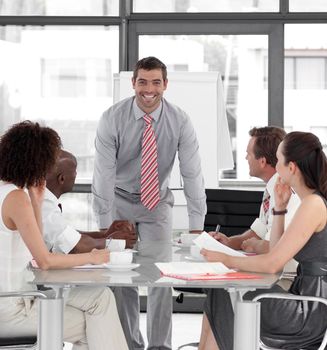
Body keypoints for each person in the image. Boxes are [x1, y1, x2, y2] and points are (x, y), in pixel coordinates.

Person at [92, 56, 207, 349]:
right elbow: (103, 177)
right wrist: (106, 228)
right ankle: (128, 344)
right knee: (121, 278)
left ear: (165, 85)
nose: (149, 89)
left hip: (156, 203)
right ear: (133, 84)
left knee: (160, 277)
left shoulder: (180, 120)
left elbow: (192, 173)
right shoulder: (112, 118)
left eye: (156, 82)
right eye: (142, 81)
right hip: (119, 200)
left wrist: (197, 228)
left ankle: (160, 347)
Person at [0, 121, 128, 350]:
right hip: (12, 310)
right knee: (96, 322)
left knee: (101, 296)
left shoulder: (10, 192)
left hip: (21, 297)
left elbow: (34, 250)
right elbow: (45, 261)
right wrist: (93, 257)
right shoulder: (16, 199)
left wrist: (37, 202)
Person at [199, 131, 327, 350]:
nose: (275, 167)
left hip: (307, 312)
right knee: (221, 289)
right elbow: (275, 251)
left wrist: (226, 259)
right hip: (303, 301)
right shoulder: (310, 202)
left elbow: (271, 264)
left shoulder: (312, 205)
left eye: (278, 161)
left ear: (292, 167)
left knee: (225, 289)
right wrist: (280, 207)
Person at [212, 126, 299, 255]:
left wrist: (255, 245)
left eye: (249, 154)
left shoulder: (284, 191)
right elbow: (259, 232)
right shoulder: (271, 188)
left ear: (262, 161)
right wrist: (229, 242)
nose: (246, 158)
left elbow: (276, 247)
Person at [43, 149, 137, 254]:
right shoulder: (45, 206)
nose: (76, 175)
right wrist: (116, 243)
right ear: (62, 179)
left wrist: (105, 235)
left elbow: (66, 235)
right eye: (74, 171)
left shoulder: (45, 202)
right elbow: (75, 246)